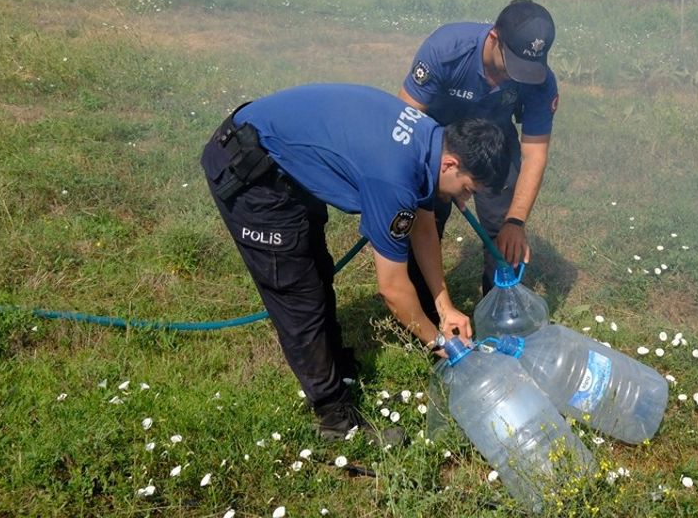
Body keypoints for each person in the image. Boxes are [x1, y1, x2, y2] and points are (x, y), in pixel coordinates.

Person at [201, 83, 508, 443]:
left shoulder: (430, 137)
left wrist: (445, 306)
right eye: (468, 188)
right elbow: (392, 289)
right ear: (451, 164)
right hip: (249, 168)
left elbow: (423, 227)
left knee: (315, 271)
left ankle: (340, 375)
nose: (464, 199)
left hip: (283, 161)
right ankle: (334, 421)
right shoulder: (394, 177)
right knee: (298, 294)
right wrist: (439, 341)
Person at [399, 0, 559, 320]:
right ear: (494, 38)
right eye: (510, 66)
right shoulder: (447, 50)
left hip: (495, 145)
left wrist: (516, 221)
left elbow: (534, 153)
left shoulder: (540, 81)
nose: (512, 78)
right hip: (437, 144)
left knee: (506, 234)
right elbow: (406, 121)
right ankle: (426, 317)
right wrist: (426, 185)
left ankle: (499, 313)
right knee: (424, 221)